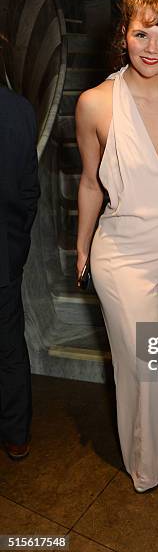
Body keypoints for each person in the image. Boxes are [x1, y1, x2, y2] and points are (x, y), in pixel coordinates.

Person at [75, 0, 158, 493]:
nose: (152, 47)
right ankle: (144, 466)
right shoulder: (95, 103)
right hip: (121, 259)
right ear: (123, 34)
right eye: (141, 32)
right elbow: (88, 182)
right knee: (142, 366)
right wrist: (81, 247)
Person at [0, 83, 39, 460]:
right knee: (9, 347)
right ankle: (16, 435)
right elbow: (30, 193)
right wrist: (14, 249)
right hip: (4, 256)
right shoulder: (20, 110)